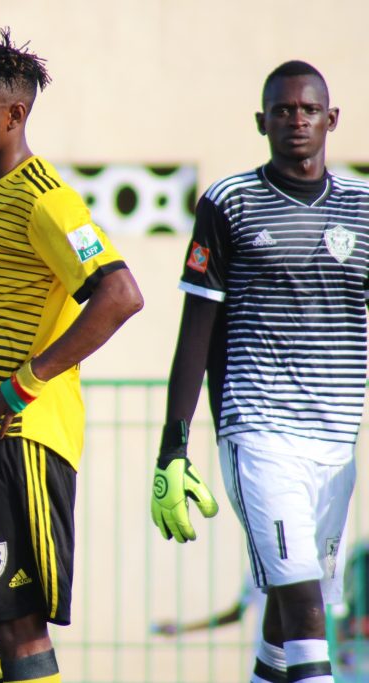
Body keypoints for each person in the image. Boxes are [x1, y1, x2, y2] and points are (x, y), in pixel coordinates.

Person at [0, 30, 144, 683]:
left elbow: (120, 294)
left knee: (16, 624)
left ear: (14, 115)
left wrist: (27, 380)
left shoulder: (45, 195)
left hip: (18, 438)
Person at [150, 60, 368, 683]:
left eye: (307, 109)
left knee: (290, 611)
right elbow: (196, 331)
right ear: (261, 121)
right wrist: (174, 447)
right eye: (282, 110)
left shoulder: (363, 208)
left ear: (332, 119)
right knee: (303, 605)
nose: (295, 120)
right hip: (260, 433)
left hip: (335, 442)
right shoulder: (228, 204)